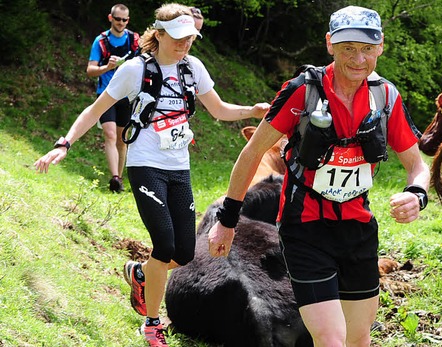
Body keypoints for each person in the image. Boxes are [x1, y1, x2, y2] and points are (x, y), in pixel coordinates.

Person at [34, 3, 270, 346]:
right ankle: (152, 323)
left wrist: (252, 110)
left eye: (190, 38)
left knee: (185, 253)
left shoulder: (194, 69)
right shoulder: (134, 69)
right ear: (157, 34)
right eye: (177, 37)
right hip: (145, 165)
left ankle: (142, 273)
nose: (184, 44)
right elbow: (94, 109)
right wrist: (63, 144)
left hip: (179, 167)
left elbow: (218, 109)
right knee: (164, 244)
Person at [208, 5, 430, 347]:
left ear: (381, 46)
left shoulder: (386, 96)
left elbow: (417, 166)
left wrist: (417, 194)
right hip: (305, 228)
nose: (359, 59)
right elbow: (252, 152)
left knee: (358, 340)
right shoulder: (303, 90)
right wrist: (227, 220)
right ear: (330, 44)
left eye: (367, 49)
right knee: (329, 339)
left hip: (358, 230)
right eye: (348, 49)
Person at [87, 4, 139, 192]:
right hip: (106, 94)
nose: (121, 23)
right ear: (110, 18)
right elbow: (90, 70)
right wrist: (106, 68)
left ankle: (119, 179)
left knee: (122, 140)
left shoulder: (134, 40)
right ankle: (114, 177)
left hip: (127, 95)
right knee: (109, 134)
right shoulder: (100, 41)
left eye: (124, 20)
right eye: (118, 19)